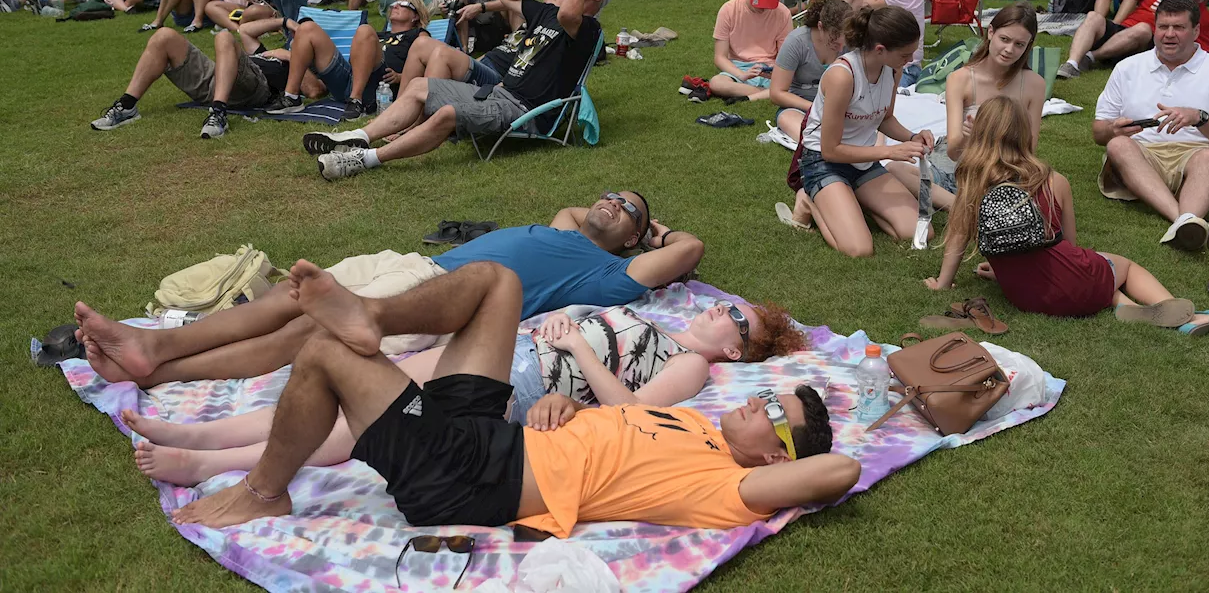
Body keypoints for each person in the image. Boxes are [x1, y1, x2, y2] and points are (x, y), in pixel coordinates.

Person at [154, 260, 852, 532]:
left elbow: (838, 471)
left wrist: (784, 476)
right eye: (770, 398)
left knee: (325, 356)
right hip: (498, 435)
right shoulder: (692, 423)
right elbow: (619, 428)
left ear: (773, 463)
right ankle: (372, 313)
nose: (759, 406)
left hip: (467, 476)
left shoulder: (728, 487)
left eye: (774, 420)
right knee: (496, 282)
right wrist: (567, 409)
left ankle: (264, 489)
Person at [124, 294, 809, 486]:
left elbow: (632, 410)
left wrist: (573, 346)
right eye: (727, 305)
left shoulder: (694, 367)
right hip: (512, 357)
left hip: (523, 383)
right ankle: (202, 435)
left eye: (735, 319)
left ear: (733, 350)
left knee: (362, 427)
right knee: (345, 397)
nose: (721, 310)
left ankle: (210, 462)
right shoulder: (658, 321)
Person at [73, 192, 706, 389]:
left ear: (634, 239)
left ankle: (158, 367)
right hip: (403, 261)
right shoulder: (570, 230)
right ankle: (158, 345)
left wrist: (657, 234)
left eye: (627, 209)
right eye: (613, 192)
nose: (611, 202)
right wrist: (619, 219)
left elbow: (689, 252)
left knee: (305, 331)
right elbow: (572, 212)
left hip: (437, 293)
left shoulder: (606, 274)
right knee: (290, 295)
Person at [925, 97, 1209, 334]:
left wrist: (943, 283)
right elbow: (1071, 247)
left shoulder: (973, 181)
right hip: (1075, 284)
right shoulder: (1053, 180)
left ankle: (1127, 307)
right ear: (1025, 135)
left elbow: (957, 237)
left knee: (1098, 274)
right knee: (1122, 266)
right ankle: (1180, 313)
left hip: (1025, 295)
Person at [303, 0, 610, 181]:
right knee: (419, 86)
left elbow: (571, 11)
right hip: (499, 91)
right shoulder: (548, 13)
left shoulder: (587, 30)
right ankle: (357, 136)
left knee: (448, 113)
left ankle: (363, 160)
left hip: (525, 111)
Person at [1092, 0, 1209, 250]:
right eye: (1163, 27)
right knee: (1117, 145)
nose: (1169, 34)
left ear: (1196, 30)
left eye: (1179, 27)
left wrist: (1200, 118)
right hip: (1141, 156)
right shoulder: (1128, 67)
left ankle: (1184, 221)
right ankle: (1185, 220)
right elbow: (1098, 133)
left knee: (1208, 157)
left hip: (1195, 156)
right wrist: (1113, 129)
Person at [782, 6, 932, 257]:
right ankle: (809, 199)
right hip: (823, 161)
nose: (911, 61)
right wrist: (890, 151)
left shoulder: (893, 70)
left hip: (862, 161)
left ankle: (851, 200)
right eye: (905, 55)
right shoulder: (843, 76)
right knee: (858, 249)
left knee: (919, 232)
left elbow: (885, 118)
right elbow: (830, 150)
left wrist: (912, 137)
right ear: (880, 49)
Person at [887, 3, 1045, 212]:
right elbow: (954, 152)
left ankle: (970, 206)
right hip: (959, 168)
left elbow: (1029, 152)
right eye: (1004, 39)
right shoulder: (961, 79)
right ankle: (964, 209)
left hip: (1005, 171)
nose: (1009, 50)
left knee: (1043, 183)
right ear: (991, 32)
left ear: (1028, 45)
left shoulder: (1034, 84)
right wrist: (970, 136)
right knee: (895, 168)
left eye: (1019, 44)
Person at [88, 25, 320, 138]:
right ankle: (127, 106)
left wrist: (289, 55)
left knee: (223, 37)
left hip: (253, 89)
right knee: (164, 36)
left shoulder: (296, 65)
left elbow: (314, 91)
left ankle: (218, 113)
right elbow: (246, 29)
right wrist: (284, 21)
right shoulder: (266, 50)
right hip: (218, 78)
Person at [265, 0, 427, 120]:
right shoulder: (379, 35)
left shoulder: (418, 35)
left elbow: (428, 61)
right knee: (307, 28)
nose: (395, 6)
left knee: (364, 30)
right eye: (394, 4)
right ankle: (291, 97)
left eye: (404, 4)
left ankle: (356, 102)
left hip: (377, 88)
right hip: (349, 78)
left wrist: (401, 77)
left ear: (415, 16)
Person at [1058, 0, 1209, 79]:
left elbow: (1201, 57)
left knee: (1144, 29)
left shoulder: (1204, 19)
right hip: (1124, 30)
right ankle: (1072, 64)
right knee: (1094, 16)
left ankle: (1092, 57)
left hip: (1146, 46)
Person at [702, 0, 793, 102]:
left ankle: (760, 94)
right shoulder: (728, 10)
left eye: (768, 2)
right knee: (717, 83)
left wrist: (775, 70)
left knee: (797, 81)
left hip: (771, 67)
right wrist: (742, 75)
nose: (763, 7)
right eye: (759, 2)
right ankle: (767, 93)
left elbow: (784, 56)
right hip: (738, 66)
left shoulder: (783, 13)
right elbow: (720, 57)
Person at [769, 0, 849, 143]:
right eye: (834, 41)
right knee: (807, 134)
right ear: (820, 26)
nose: (841, 48)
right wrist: (815, 108)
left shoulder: (851, 43)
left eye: (844, 41)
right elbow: (776, 93)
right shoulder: (797, 41)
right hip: (801, 107)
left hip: (842, 107)